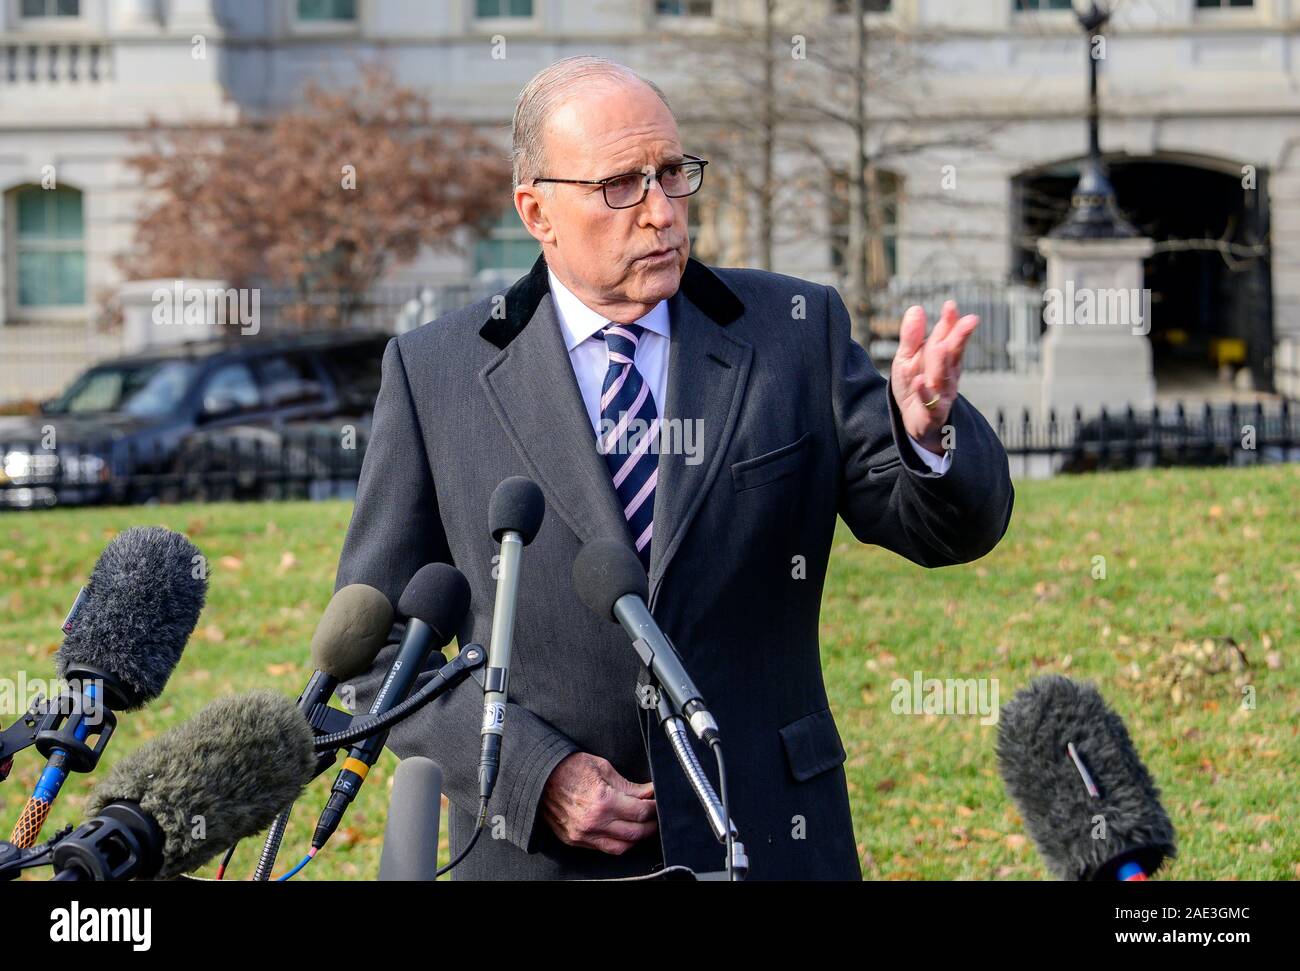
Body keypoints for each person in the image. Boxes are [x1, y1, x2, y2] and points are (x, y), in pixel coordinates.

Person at [335, 55, 1014, 879]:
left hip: (768, 834)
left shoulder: (794, 331)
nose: (660, 211)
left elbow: (943, 529)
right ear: (537, 211)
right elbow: (376, 659)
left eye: (671, 173)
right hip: (538, 857)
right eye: (621, 185)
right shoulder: (436, 372)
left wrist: (927, 435)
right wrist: (534, 773)